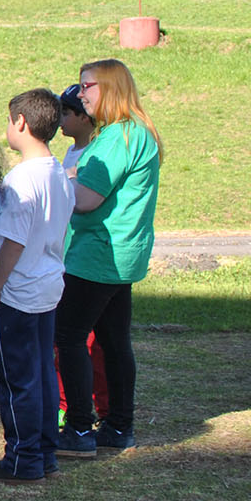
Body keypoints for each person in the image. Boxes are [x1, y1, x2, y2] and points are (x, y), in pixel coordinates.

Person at [55, 59, 163, 457]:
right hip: (120, 253)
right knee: (115, 341)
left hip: (98, 253)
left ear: (111, 88)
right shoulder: (134, 133)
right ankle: (118, 425)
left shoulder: (118, 137)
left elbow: (86, 200)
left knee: (67, 337)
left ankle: (80, 430)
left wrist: (54, 184)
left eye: (88, 86)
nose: (81, 95)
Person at [0, 89, 75, 483]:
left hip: (17, 292)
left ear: (21, 123)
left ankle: (22, 458)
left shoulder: (19, 181)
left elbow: (14, 240)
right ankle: (45, 451)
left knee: (17, 377)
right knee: (41, 372)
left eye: (8, 120)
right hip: (47, 285)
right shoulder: (59, 173)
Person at [55, 83, 109, 426]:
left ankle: (96, 407)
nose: (59, 120)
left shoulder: (96, 154)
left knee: (92, 342)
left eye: (65, 113)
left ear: (83, 117)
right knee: (67, 341)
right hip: (64, 256)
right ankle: (66, 403)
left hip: (87, 260)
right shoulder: (70, 154)